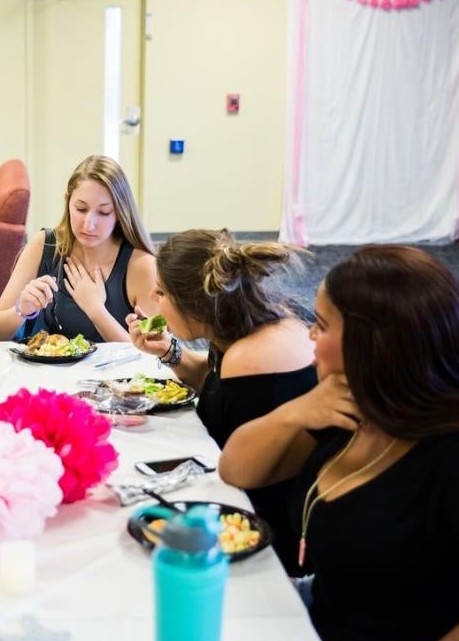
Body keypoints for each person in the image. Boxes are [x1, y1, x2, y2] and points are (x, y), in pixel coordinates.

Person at [218, 246, 459, 641]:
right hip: (332, 628)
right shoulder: (355, 406)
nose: (308, 334)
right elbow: (236, 468)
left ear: (373, 343)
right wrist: (293, 412)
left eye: (320, 324)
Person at [126, 228, 316, 574]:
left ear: (194, 304)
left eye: (162, 292)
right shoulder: (250, 318)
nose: (153, 297)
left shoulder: (251, 358)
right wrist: (171, 352)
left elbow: (235, 466)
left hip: (262, 535)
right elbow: (215, 382)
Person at [0, 155, 157, 343]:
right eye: (81, 209)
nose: (89, 224)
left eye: (104, 212)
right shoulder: (42, 245)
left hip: (116, 373)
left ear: (120, 213)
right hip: (47, 371)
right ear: (67, 202)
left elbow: (156, 353)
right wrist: (21, 309)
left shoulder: (143, 265)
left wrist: (96, 310)